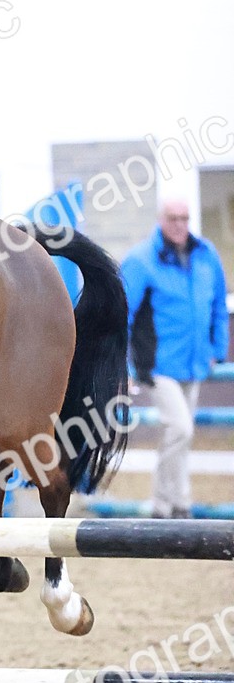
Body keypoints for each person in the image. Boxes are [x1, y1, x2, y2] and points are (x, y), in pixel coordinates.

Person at [121, 198, 229, 518]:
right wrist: (124, 366)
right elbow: (122, 315)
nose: (180, 224)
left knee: (182, 434)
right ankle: (164, 505)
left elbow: (219, 306)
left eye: (184, 217)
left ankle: (179, 504)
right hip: (156, 365)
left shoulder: (206, 255)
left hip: (194, 363)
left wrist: (217, 350)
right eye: (173, 217)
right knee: (180, 428)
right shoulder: (142, 260)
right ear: (160, 219)